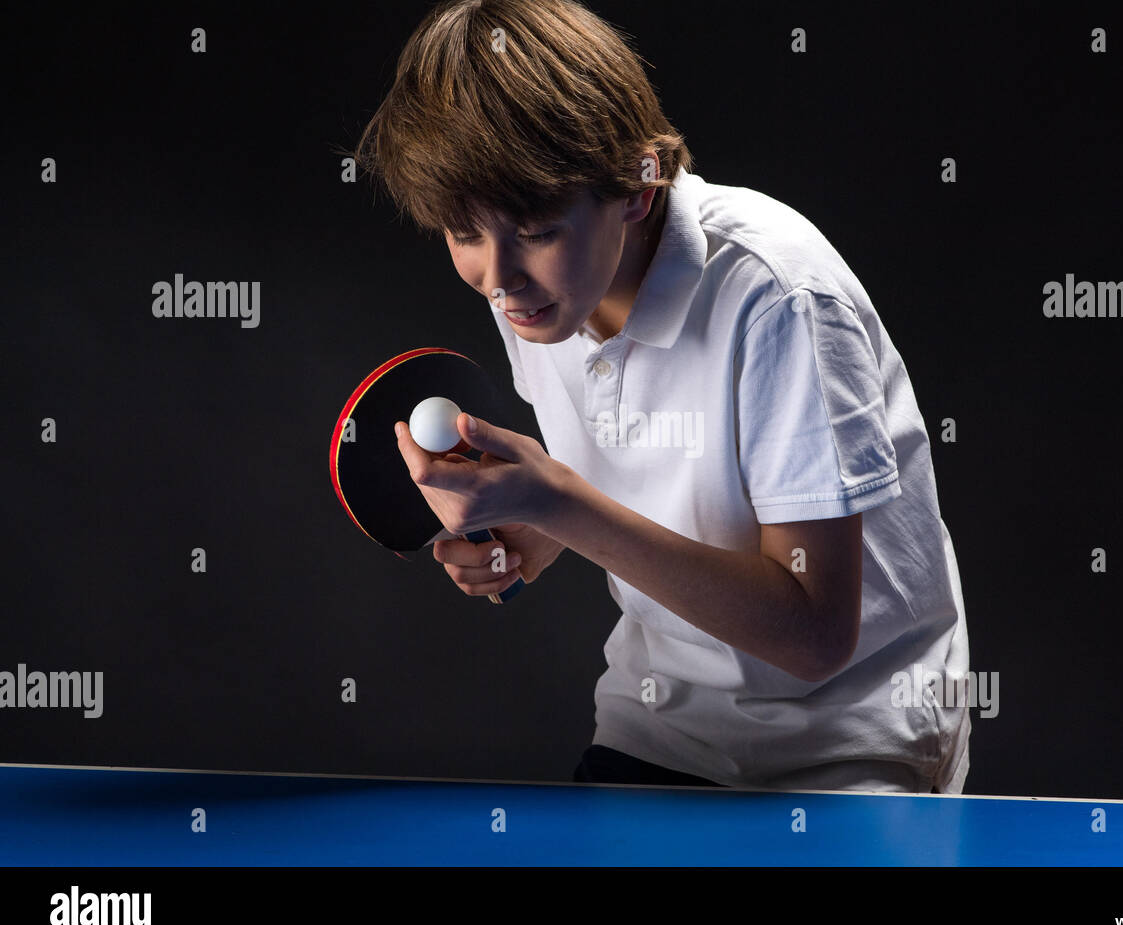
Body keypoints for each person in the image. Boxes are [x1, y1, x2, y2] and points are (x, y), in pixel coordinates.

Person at [355, 0, 971, 793]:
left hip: (850, 742)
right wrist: (537, 524)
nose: (497, 277)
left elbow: (816, 631)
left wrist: (565, 504)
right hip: (661, 729)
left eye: (536, 228)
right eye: (464, 232)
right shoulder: (535, 294)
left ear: (635, 191)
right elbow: (643, 489)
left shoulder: (779, 300)